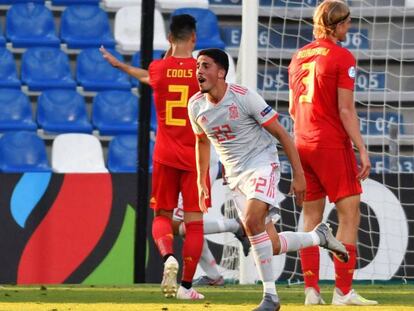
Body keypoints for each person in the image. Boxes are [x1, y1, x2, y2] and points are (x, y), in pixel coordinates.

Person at [188, 48, 349, 311]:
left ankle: (271, 298)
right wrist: (201, 180)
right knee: (271, 245)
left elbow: (283, 135)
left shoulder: (243, 97)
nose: (199, 72)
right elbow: (201, 141)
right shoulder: (196, 105)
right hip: (235, 176)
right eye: (197, 67)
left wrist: (299, 175)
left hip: (262, 164)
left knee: (251, 222)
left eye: (205, 66)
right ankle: (319, 236)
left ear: (221, 72)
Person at [101, 14, 206, 300]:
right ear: (194, 38)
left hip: (165, 154)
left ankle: (167, 257)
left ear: (169, 38)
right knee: (195, 223)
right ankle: (186, 286)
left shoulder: (159, 67)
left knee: (162, 214)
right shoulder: (203, 72)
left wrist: (120, 65)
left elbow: (149, 77)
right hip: (196, 155)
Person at [288, 0, 377, 306]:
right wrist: (362, 149)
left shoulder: (298, 56)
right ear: (339, 24)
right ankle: (343, 291)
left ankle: (311, 291)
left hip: (301, 142)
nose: (349, 28)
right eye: (348, 23)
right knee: (349, 213)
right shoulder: (342, 57)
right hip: (329, 144)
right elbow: (345, 109)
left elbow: (291, 106)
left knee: (311, 217)